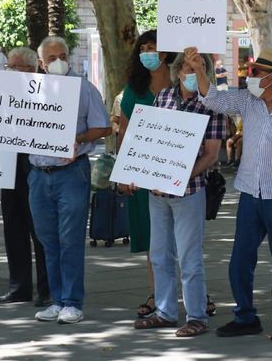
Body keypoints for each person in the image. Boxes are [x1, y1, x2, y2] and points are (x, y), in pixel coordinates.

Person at [188, 46, 272, 342]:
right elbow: (213, 98)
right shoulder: (248, 101)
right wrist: (200, 69)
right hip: (251, 190)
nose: (252, 76)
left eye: (257, 72)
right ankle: (245, 316)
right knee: (241, 257)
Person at [132, 52, 225, 337]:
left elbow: (211, 155)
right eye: (187, 66)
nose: (191, 71)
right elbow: (148, 139)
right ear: (177, 70)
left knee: (189, 257)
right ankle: (165, 312)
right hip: (157, 191)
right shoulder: (163, 97)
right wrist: (140, 171)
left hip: (190, 190)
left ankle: (197, 316)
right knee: (159, 254)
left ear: (206, 72)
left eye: (199, 67)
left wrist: (184, 175)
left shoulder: (214, 104)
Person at [29, 36, 112, 324]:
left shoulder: (84, 89)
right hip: (39, 176)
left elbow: (103, 127)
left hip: (71, 173)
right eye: (51, 58)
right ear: (41, 63)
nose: (58, 62)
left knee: (70, 239)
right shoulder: (31, 92)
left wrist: (76, 138)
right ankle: (57, 299)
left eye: (62, 55)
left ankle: (73, 302)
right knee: (47, 240)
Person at [116, 30, 175, 319]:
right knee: (154, 240)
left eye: (153, 47)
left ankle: (197, 295)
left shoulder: (181, 84)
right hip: (143, 174)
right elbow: (125, 133)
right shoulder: (134, 89)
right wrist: (123, 172)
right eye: (143, 48)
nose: (148, 53)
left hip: (179, 175)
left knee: (184, 239)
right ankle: (157, 294)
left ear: (165, 53)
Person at [0, 47, 50, 307]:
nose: (10, 72)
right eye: (8, 68)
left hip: (35, 168)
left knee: (40, 229)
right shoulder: (0, 93)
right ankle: (19, 287)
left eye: (15, 67)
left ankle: (47, 288)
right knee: (12, 226)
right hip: (7, 166)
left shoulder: (45, 93)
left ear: (30, 69)